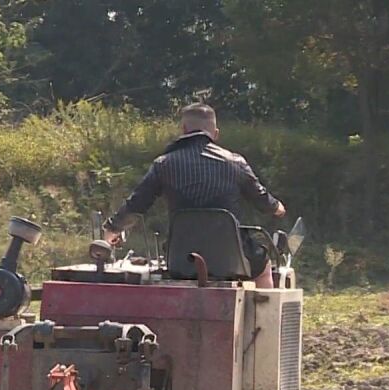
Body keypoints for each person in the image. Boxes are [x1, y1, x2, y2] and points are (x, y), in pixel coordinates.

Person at [101, 102, 286, 287]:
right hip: (230, 256)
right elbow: (262, 199)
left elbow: (137, 204)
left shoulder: (164, 164)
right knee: (263, 269)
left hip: (181, 258)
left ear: (183, 129)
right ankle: (265, 314)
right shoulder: (235, 162)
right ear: (216, 134)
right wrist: (277, 208)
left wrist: (113, 229)